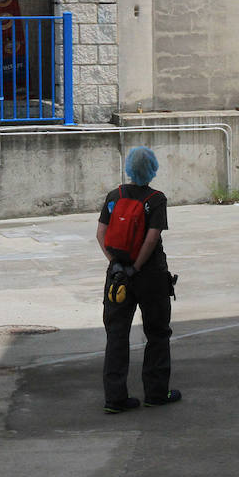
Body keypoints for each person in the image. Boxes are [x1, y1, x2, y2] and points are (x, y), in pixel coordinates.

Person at [97, 146, 182, 413]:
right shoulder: (156, 199)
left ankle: (115, 399)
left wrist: (117, 265)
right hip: (150, 276)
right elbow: (152, 237)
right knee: (157, 332)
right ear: (153, 169)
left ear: (129, 169)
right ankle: (156, 393)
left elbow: (101, 234)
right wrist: (137, 266)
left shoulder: (115, 196)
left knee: (116, 335)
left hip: (117, 277)